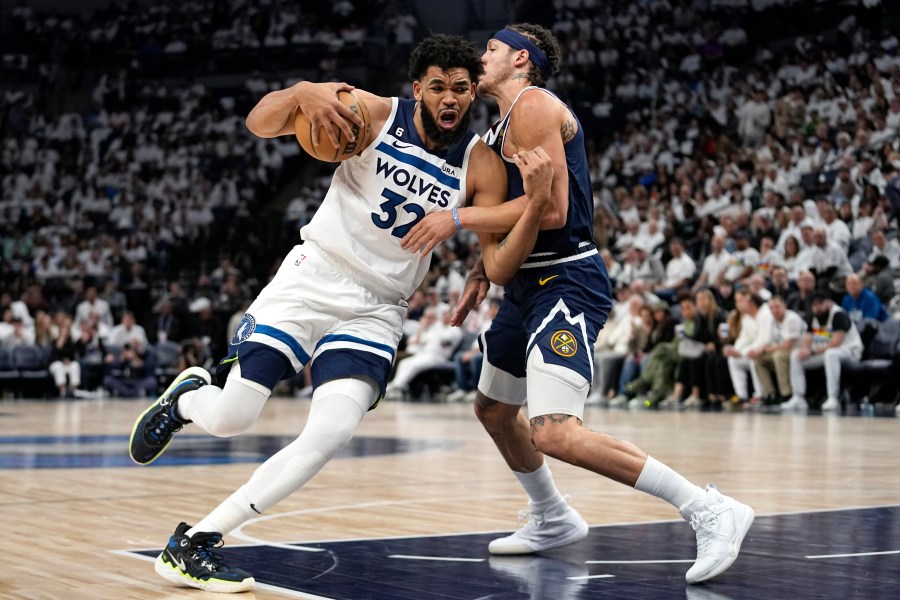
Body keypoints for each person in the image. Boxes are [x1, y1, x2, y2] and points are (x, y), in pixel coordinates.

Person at [128, 34, 554, 593]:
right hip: (312, 276)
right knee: (233, 418)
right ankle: (187, 398)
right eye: (437, 87)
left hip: (377, 307)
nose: (449, 97)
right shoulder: (372, 112)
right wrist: (304, 92)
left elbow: (497, 263)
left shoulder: (481, 164)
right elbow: (260, 123)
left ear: (473, 90)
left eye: (459, 87)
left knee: (329, 432)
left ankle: (196, 542)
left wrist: (528, 206)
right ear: (417, 88)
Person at [402, 23, 752, 584]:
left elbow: (555, 211)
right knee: (493, 408)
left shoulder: (535, 104)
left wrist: (459, 219)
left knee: (554, 431)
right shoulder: (496, 132)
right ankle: (551, 516)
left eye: (490, 49)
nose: (480, 56)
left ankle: (709, 509)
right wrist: (478, 270)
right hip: (524, 286)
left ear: (520, 59)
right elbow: (516, 213)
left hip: (567, 280)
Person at [784, 291, 864, 412]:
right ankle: (798, 398)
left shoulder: (838, 314)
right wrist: (805, 349)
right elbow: (807, 338)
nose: (817, 307)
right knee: (796, 355)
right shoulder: (814, 316)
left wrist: (811, 352)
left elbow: (836, 343)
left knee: (831, 354)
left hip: (850, 351)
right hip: (825, 352)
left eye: (820, 304)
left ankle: (833, 398)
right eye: (814, 305)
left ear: (828, 302)